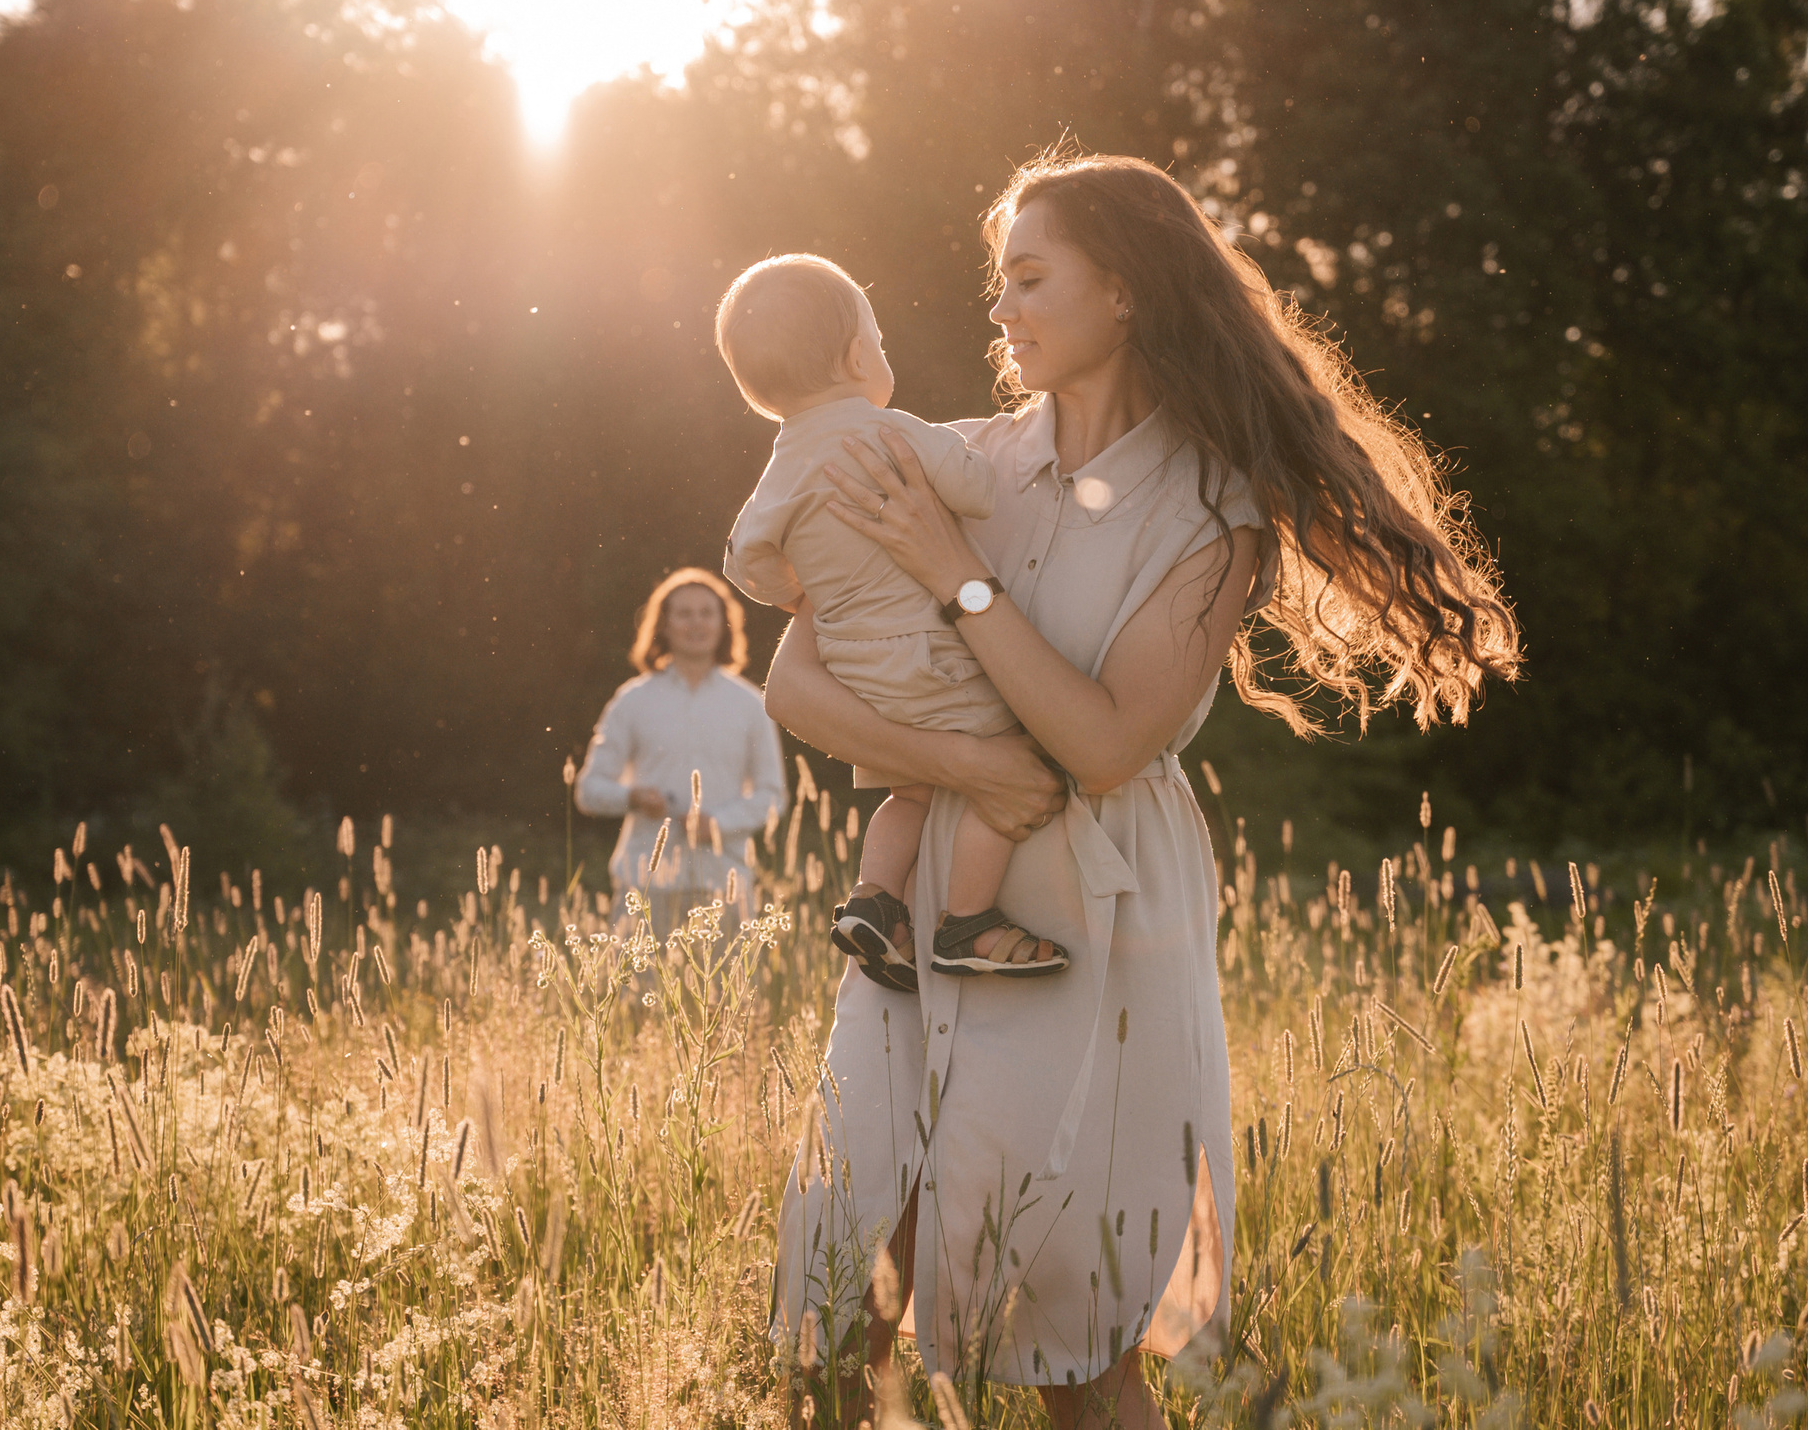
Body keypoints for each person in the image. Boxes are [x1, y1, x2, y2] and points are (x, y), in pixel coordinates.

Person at [763, 150, 1518, 1427]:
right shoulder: (945, 455)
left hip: (1094, 914)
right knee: (850, 1288)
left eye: (1029, 276)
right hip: (936, 892)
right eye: (998, 281)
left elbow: (1106, 740)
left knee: (1077, 1328)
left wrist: (956, 575)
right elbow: (793, 676)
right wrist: (970, 764)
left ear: (1123, 288)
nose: (998, 308)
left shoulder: (1216, 509)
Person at [716, 253, 1068, 994]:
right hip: (933, 652)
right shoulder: (898, 434)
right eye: (877, 342)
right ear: (854, 356)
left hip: (853, 667)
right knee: (1006, 766)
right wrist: (967, 465)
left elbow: (746, 558)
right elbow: (973, 492)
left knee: (909, 791)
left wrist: (794, 590)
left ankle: (877, 899)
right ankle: (969, 920)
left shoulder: (778, 472)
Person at [573, 567, 785, 934]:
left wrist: (717, 824)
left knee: (724, 994)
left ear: (723, 623)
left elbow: (773, 795)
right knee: (638, 994)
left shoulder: (751, 704)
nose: (696, 623)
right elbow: (588, 790)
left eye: (706, 613)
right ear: (664, 625)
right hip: (645, 884)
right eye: (684, 614)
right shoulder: (632, 700)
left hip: (724, 882)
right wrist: (634, 797)